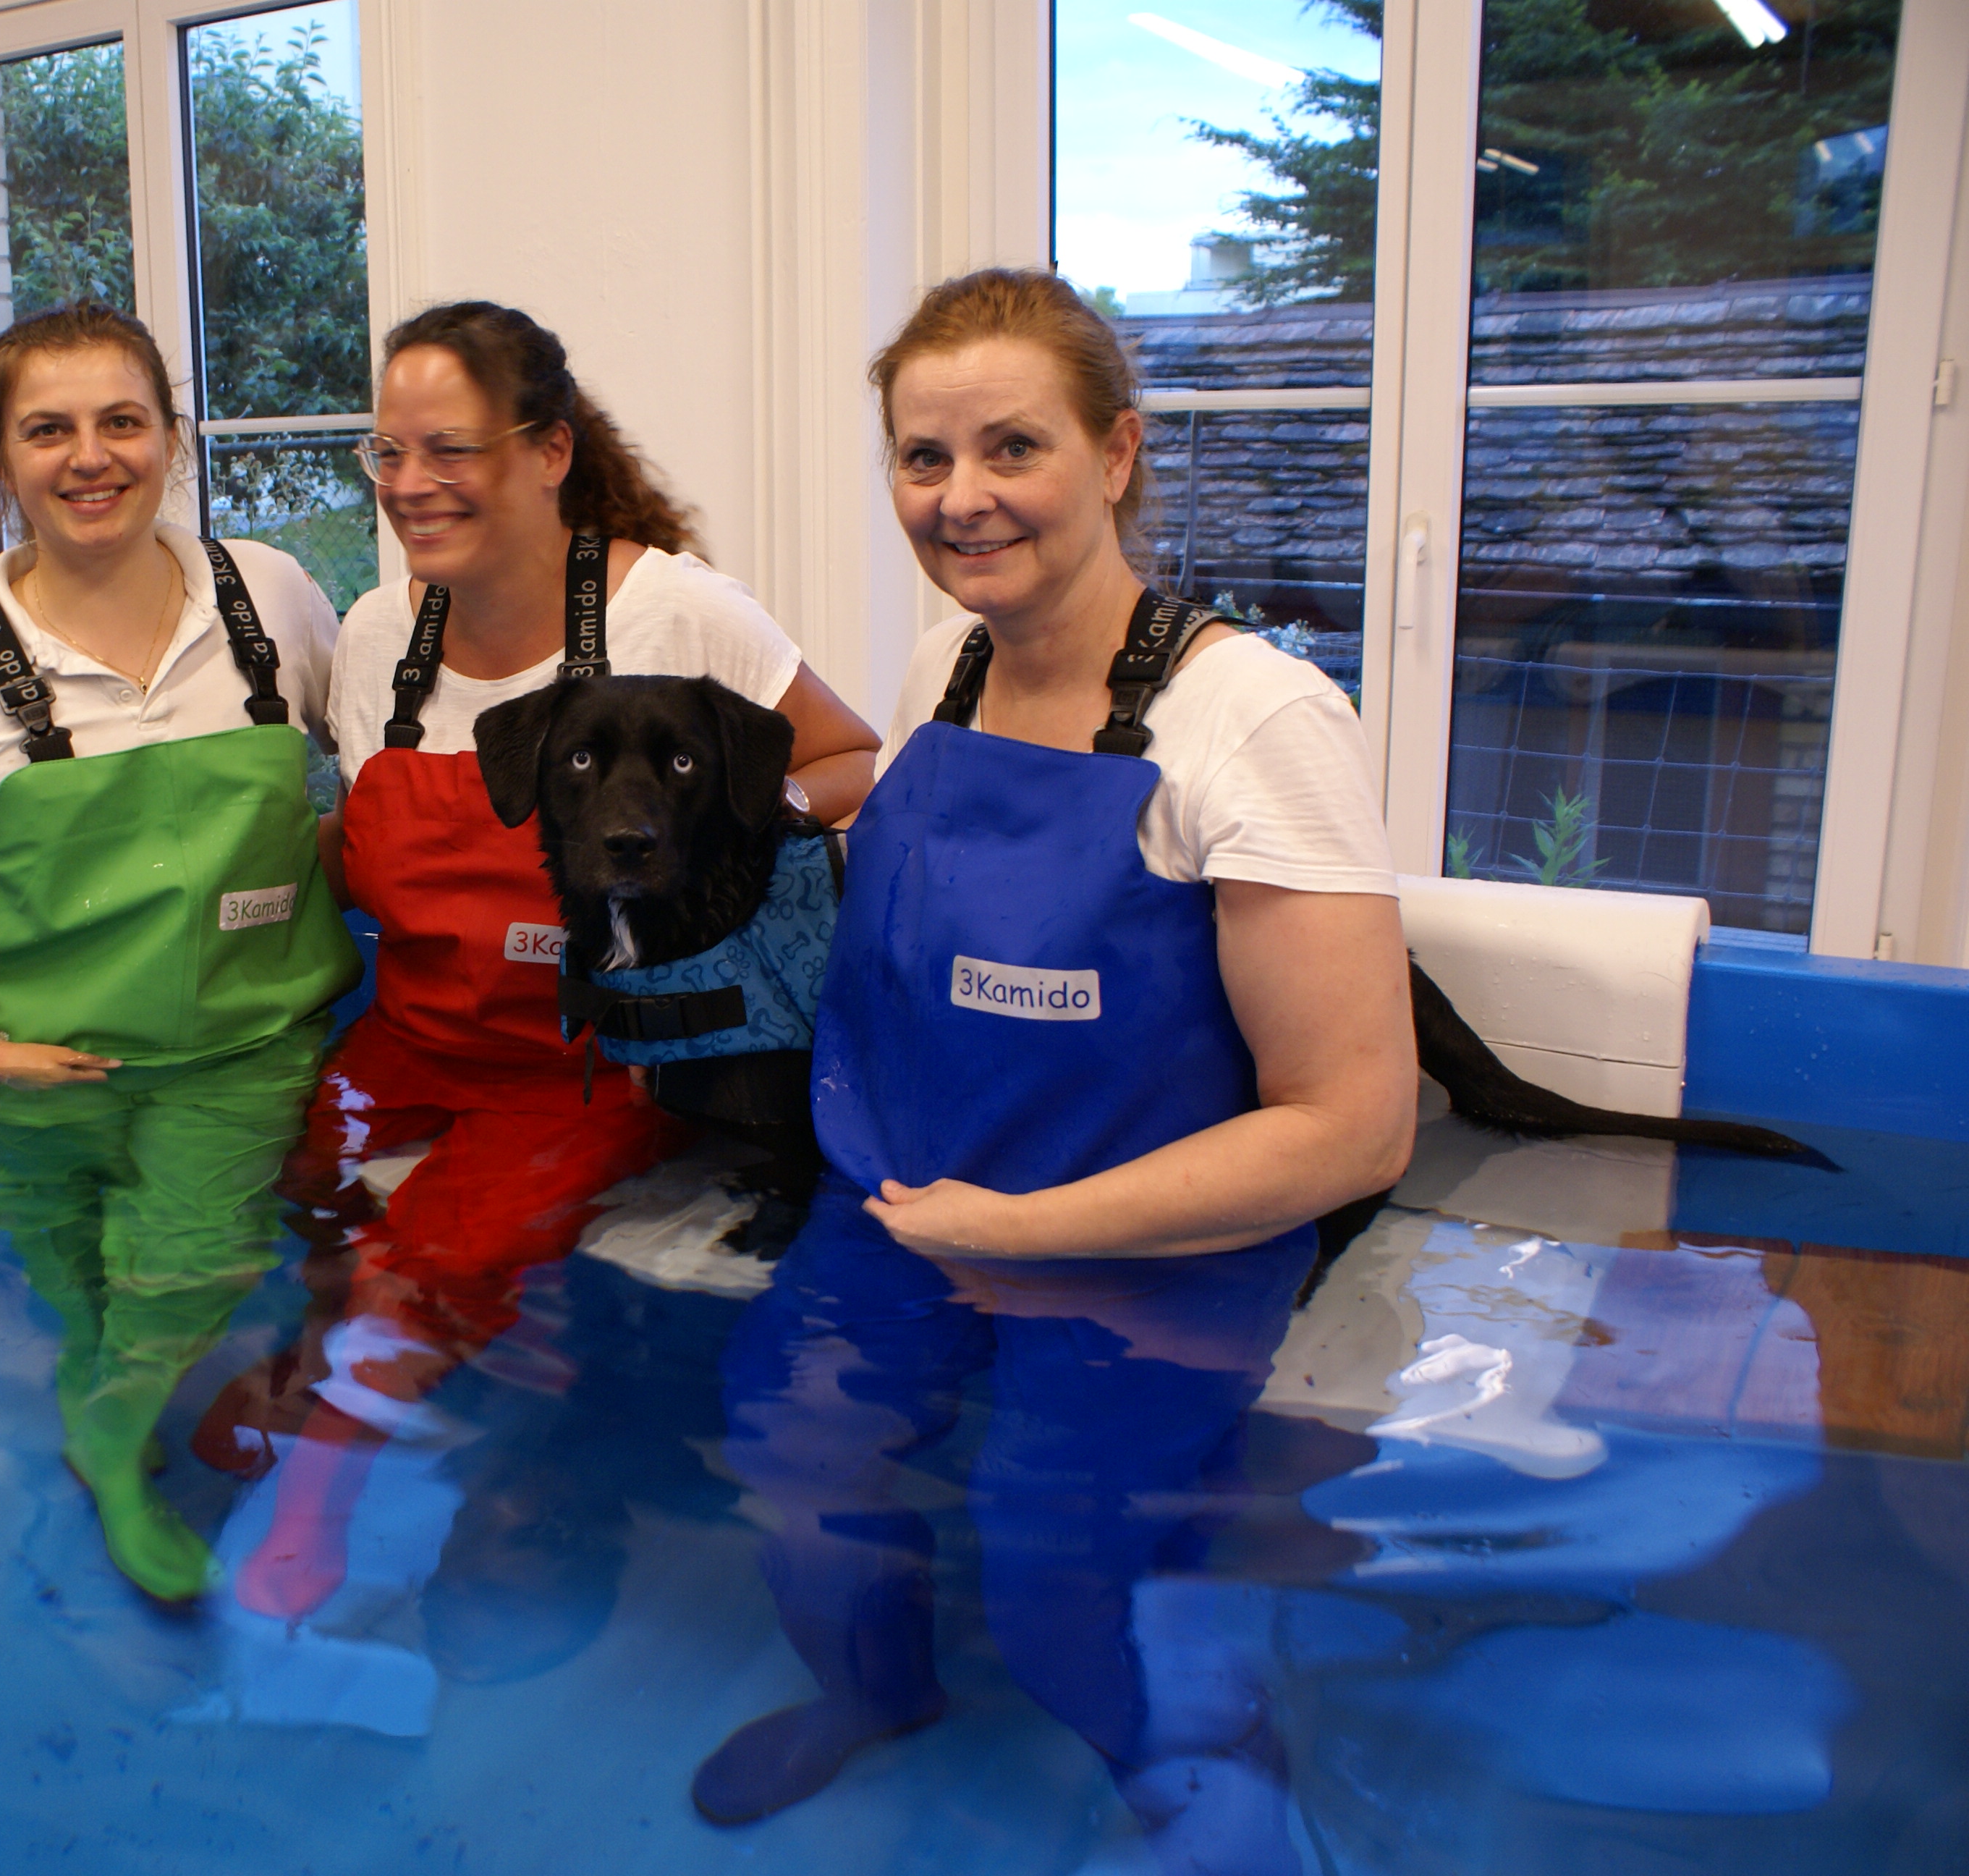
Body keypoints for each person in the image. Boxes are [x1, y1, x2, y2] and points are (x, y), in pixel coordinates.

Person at [693, 268, 1415, 1868]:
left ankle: (1210, 1788)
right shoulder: (938, 679)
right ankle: (873, 1692)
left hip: (1153, 1245)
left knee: (1049, 1566)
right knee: (791, 1453)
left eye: (1012, 447)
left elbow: (1354, 1125)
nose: (962, 498)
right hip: (911, 1201)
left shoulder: (1251, 721)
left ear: (1116, 453)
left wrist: (1022, 1233)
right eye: (923, 457)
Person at [206, 300, 881, 1623]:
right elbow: (367, 846)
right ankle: (320, 1359)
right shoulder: (378, 632)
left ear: (550, 450)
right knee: (281, 1177)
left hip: (593, 1054)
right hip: (415, 1035)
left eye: (449, 449)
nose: (410, 483)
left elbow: (851, 758)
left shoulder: (672, 611)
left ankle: (319, 1503)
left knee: (435, 1256)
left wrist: (739, 831)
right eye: (388, 452)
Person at [0, 303, 359, 1602]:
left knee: (196, 1264)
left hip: (241, 1049)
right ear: (2, 458)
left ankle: (110, 1446)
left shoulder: (271, 598)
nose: (90, 456)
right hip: (28, 1074)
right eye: (47, 429)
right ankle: (96, 1385)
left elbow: (356, 793)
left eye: (123, 421)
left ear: (173, 436)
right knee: (79, 1287)